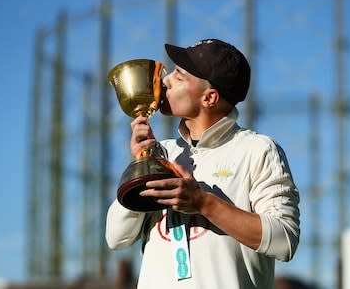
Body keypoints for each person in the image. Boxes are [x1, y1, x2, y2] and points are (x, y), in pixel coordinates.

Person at [106, 38, 300, 289]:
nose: (164, 81)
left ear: (209, 97)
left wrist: (202, 202)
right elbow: (116, 238)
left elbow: (284, 240)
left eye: (178, 75)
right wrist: (143, 163)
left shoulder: (258, 150)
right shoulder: (164, 152)